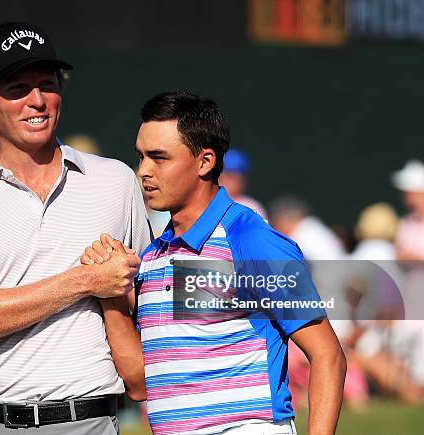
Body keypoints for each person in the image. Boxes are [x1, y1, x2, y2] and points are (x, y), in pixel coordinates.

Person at [0, 22, 151, 434]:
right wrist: (86, 281)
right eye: (16, 88)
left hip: (86, 420)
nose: (37, 101)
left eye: (47, 84)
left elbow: (146, 300)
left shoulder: (115, 181)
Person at [82, 91, 346, 434]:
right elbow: (140, 385)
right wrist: (109, 294)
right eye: (142, 156)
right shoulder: (152, 257)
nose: (144, 170)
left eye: (159, 157)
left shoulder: (251, 240)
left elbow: (328, 355)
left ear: (205, 162)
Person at [218, 148, 267, 219]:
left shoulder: (253, 208)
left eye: (234, 177)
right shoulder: (205, 204)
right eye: (227, 175)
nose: (229, 181)